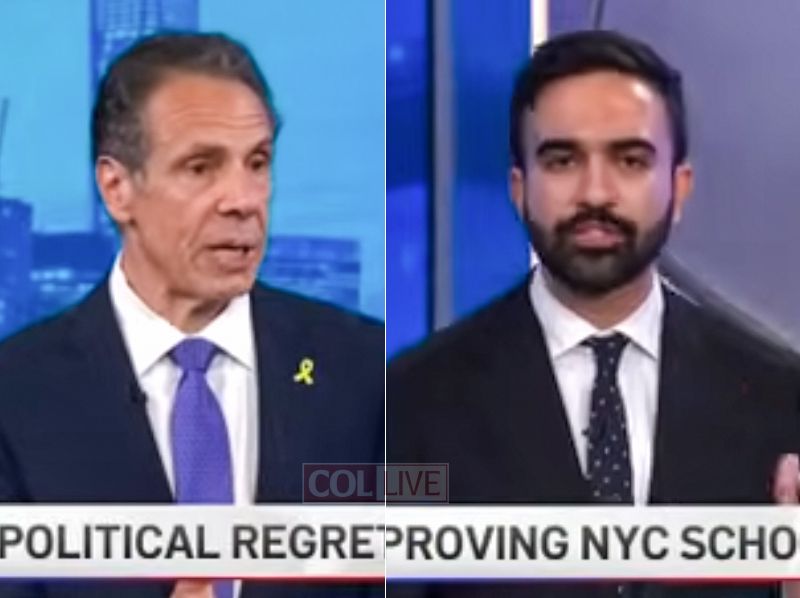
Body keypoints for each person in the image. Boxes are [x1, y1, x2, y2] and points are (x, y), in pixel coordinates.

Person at [388, 29, 800, 597]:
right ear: (519, 190)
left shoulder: (779, 397)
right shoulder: (413, 403)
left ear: (679, 189)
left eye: (630, 160)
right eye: (563, 161)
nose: (596, 193)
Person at [0, 33, 383, 598]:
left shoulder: (365, 371)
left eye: (257, 163)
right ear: (117, 189)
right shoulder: (16, 397)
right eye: (201, 167)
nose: (243, 199)